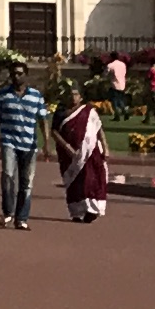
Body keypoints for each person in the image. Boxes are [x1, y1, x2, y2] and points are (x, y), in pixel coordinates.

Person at [0, 62, 49, 229]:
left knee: (26, 182)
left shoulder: (36, 96)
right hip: (9, 141)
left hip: (29, 144)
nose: (16, 77)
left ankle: (21, 218)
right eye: (13, 74)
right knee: (7, 176)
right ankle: (8, 212)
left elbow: (43, 120)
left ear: (26, 75)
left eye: (19, 73)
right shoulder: (2, 95)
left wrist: (46, 143)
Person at [58, 81, 113, 224]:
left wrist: (105, 147)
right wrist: (67, 147)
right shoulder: (61, 112)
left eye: (76, 94)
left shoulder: (89, 111)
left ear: (81, 97)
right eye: (71, 95)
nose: (73, 97)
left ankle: (92, 210)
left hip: (91, 151)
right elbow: (55, 132)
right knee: (75, 182)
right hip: (70, 155)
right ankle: (76, 211)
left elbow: (99, 129)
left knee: (91, 180)